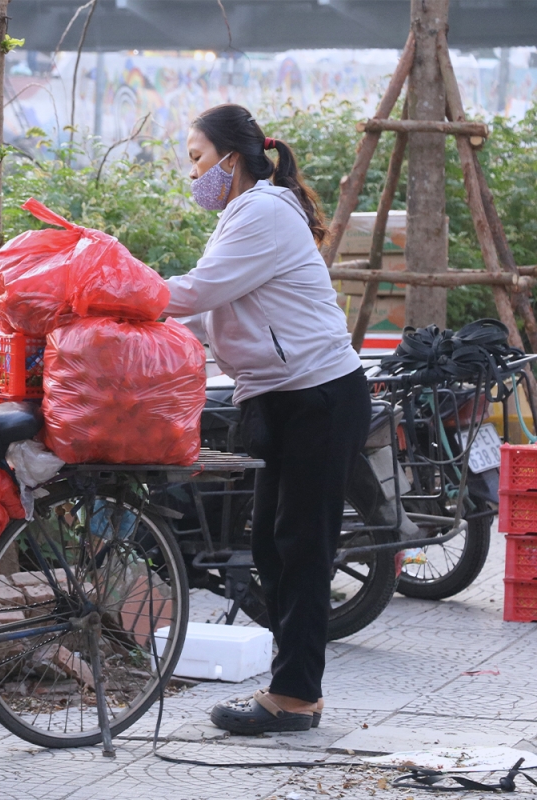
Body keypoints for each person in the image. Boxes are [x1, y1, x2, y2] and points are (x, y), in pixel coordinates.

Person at [163, 103, 371, 735]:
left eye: (197, 158)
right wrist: (140, 317)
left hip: (318, 396)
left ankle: (296, 697)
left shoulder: (262, 212)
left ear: (231, 158)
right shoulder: (242, 215)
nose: (192, 172)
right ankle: (291, 682)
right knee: (271, 549)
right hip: (279, 396)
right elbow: (206, 314)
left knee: (301, 548)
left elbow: (199, 292)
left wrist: (116, 285)